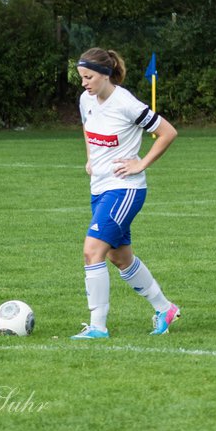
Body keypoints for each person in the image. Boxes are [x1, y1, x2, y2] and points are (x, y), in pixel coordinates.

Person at [73, 47, 181, 339]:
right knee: (120, 258)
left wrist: (141, 162)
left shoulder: (126, 103)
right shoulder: (87, 99)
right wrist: (90, 158)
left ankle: (97, 326)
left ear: (106, 74)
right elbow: (87, 128)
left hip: (125, 189)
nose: (84, 83)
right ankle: (165, 308)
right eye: (81, 77)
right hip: (100, 188)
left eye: (89, 77)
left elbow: (168, 132)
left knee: (92, 251)